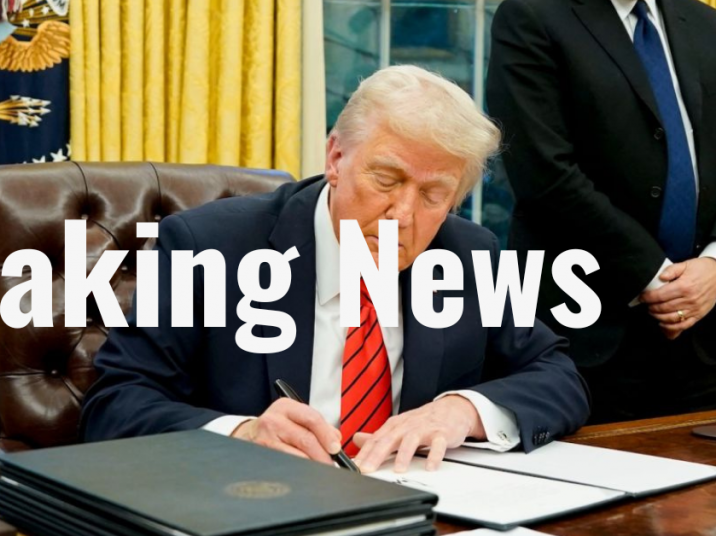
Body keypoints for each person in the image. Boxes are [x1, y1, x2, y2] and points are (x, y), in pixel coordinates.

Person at [80, 66, 590, 472]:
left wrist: (462, 410)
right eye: (387, 179)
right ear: (336, 156)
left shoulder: (465, 255)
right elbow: (115, 403)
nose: (404, 215)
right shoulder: (211, 246)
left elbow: (558, 376)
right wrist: (242, 434)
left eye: (435, 194)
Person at [487, 0, 716, 422]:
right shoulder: (531, 16)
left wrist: (713, 264)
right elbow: (543, 173)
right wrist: (655, 275)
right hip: (584, 333)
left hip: (701, 331)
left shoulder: (704, 22)